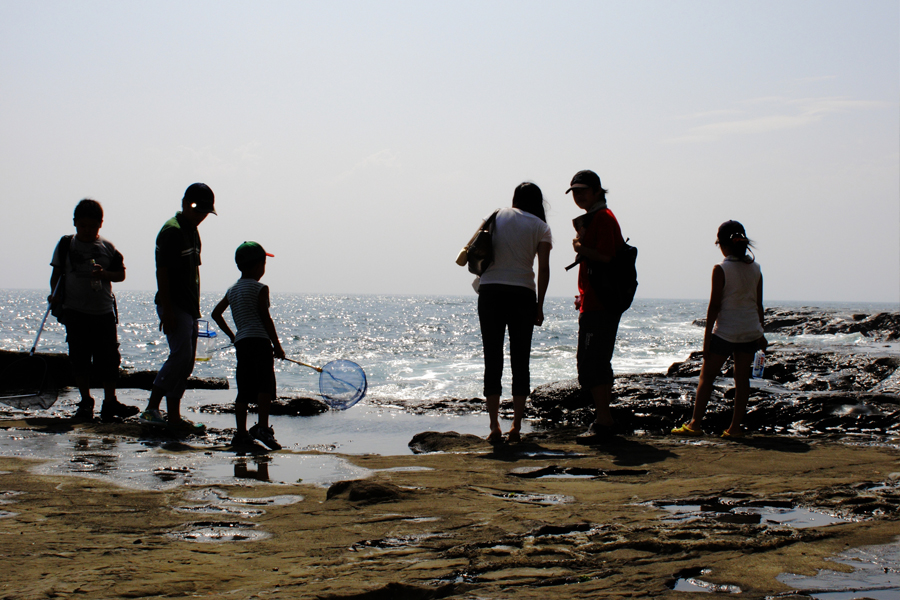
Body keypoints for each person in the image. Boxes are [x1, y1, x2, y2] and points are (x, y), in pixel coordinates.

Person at [672, 220, 766, 438]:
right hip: (750, 331)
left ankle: (695, 423)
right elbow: (758, 304)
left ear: (722, 244)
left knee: (707, 377)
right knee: (742, 380)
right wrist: (762, 333)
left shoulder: (721, 269)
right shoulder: (756, 269)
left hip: (726, 331)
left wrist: (706, 340)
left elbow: (714, 306)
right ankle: (734, 428)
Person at [49, 199, 139, 422]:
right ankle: (86, 401)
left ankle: (110, 401)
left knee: (109, 359)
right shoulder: (65, 245)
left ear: (100, 224)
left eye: (92, 226)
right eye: (82, 226)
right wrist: (55, 294)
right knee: (79, 358)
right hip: (75, 311)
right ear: (75, 223)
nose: (87, 231)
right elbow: (57, 274)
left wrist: (105, 275)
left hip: (103, 312)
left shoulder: (107, 248)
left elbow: (120, 275)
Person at [476, 182, 552, 443]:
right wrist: (540, 305)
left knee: (492, 357)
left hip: (491, 291)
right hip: (523, 294)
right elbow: (543, 270)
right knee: (521, 360)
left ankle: (494, 426)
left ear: (515, 198)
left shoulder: (495, 216)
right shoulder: (541, 227)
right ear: (538, 202)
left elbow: (476, 248)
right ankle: (517, 427)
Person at [139, 183, 216, 434]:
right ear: (185, 203)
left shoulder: (193, 231)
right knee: (179, 357)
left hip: (189, 307)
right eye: (197, 209)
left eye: (205, 212)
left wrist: (196, 309)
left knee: (187, 363)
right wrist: (169, 310)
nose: (200, 216)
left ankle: (173, 415)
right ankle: (151, 407)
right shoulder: (171, 231)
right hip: (174, 305)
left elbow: (194, 272)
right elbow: (162, 272)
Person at [568, 170, 626, 441]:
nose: (578, 196)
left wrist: (580, 246)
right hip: (594, 300)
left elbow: (606, 256)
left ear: (596, 191)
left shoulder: (603, 217)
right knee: (594, 360)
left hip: (600, 304)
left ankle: (604, 421)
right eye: (574, 192)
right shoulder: (599, 216)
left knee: (592, 361)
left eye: (582, 190)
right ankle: (604, 419)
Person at [211, 242, 285, 450]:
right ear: (257, 266)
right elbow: (265, 317)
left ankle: (241, 433)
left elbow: (216, 314)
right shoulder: (260, 288)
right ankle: (262, 427)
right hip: (260, 341)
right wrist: (277, 346)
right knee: (265, 387)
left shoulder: (232, 290)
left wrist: (233, 335)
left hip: (242, 343)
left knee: (243, 388)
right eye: (263, 264)